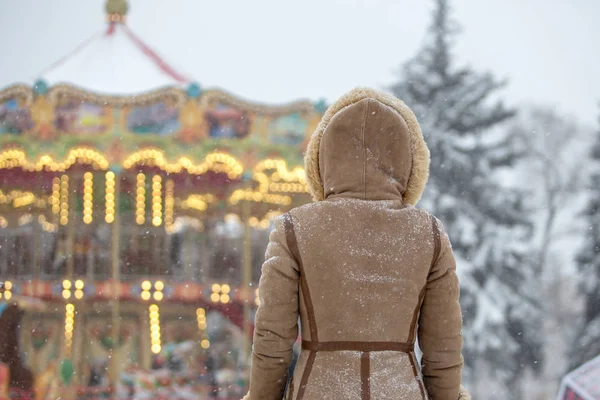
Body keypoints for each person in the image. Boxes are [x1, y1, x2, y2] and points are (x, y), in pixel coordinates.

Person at [243, 88, 470, 400]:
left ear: (322, 158)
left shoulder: (295, 229)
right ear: (408, 161)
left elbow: (272, 340)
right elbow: (443, 349)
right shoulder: (428, 233)